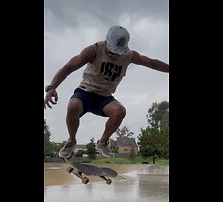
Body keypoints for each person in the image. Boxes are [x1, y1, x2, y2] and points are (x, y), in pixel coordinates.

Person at [44, 25, 169, 159]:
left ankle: (102, 142)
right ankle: (72, 141)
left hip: (104, 98)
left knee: (120, 111)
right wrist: (52, 87)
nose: (114, 55)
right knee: (73, 105)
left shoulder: (129, 56)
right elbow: (69, 67)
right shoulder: (94, 50)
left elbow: (152, 63)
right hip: (85, 92)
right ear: (106, 42)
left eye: (117, 53)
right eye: (111, 51)